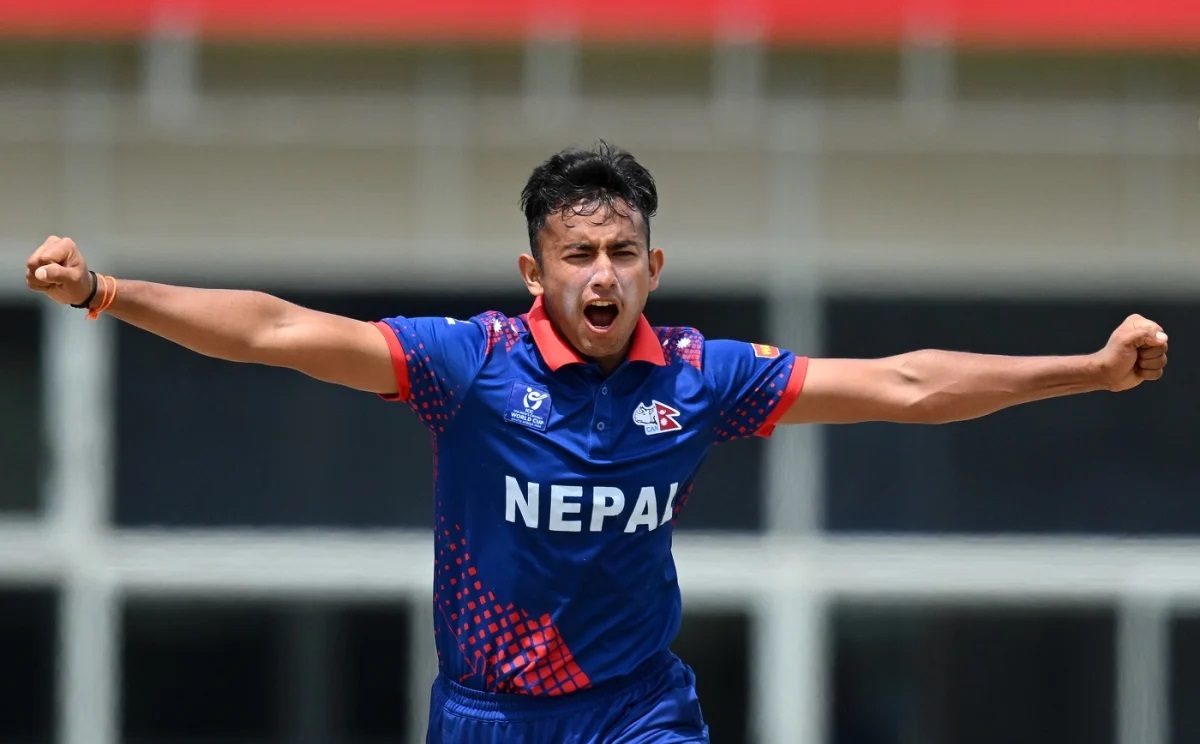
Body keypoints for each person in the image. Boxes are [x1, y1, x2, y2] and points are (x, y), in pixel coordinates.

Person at [25, 142, 1168, 743]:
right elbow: (277, 331)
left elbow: (907, 387)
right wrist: (106, 292)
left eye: (623, 253)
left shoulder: (701, 378)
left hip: (634, 709)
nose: (603, 273)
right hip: (484, 714)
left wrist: (1087, 369)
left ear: (653, 269)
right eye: (578, 255)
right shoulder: (468, 368)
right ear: (535, 272)